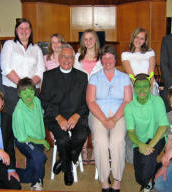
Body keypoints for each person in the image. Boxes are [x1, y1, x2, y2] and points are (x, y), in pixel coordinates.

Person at [39, 43, 89, 186]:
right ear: (59, 58)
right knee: (62, 140)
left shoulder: (82, 76)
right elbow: (44, 101)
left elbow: (87, 102)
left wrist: (77, 115)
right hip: (55, 117)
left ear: (74, 59)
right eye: (64, 56)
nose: (67, 60)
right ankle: (68, 170)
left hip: (76, 116)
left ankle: (63, 160)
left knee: (81, 134)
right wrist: (58, 117)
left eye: (70, 57)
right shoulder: (48, 76)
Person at [87, 45, 132, 192]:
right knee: (100, 141)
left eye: (110, 57)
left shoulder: (124, 78)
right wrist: (104, 120)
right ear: (101, 60)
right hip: (98, 115)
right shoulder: (94, 77)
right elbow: (91, 101)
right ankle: (105, 180)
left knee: (117, 141)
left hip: (119, 115)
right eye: (104, 57)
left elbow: (127, 101)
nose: (107, 60)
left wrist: (113, 119)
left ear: (115, 59)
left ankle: (117, 180)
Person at [124, 73, 169, 192]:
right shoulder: (129, 107)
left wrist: (149, 146)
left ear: (150, 87)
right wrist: (141, 145)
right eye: (138, 87)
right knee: (139, 178)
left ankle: (148, 183)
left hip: (157, 138)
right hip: (139, 141)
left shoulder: (158, 101)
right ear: (134, 87)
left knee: (147, 165)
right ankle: (157, 167)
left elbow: (163, 126)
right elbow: (131, 132)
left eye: (145, 86)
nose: (142, 90)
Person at [0, 18, 44, 115]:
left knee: (31, 120)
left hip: (32, 91)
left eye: (27, 28)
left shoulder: (36, 49)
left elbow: (41, 71)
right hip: (12, 91)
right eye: (21, 28)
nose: (24, 31)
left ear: (30, 31)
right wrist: (23, 85)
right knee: (14, 121)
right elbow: (5, 67)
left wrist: (28, 87)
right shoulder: (9, 45)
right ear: (16, 30)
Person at [12, 77, 49, 191]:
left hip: (37, 138)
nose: (28, 96)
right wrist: (42, 141)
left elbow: (40, 116)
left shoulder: (37, 101)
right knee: (40, 157)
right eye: (24, 92)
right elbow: (22, 137)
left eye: (31, 92)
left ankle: (13, 172)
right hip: (24, 140)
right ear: (19, 94)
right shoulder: (18, 112)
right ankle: (36, 183)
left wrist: (43, 137)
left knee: (33, 165)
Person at [74, 29, 102, 165]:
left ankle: (96, 151)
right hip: (80, 97)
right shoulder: (77, 56)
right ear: (82, 42)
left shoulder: (102, 57)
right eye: (85, 39)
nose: (88, 41)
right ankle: (84, 150)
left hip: (98, 98)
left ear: (95, 40)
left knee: (97, 125)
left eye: (91, 38)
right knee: (83, 124)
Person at [121, 27, 159, 95]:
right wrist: (139, 89)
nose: (138, 40)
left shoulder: (150, 52)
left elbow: (151, 74)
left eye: (141, 38)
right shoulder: (125, 55)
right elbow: (131, 75)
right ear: (133, 38)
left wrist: (148, 89)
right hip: (134, 86)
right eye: (136, 37)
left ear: (145, 41)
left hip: (149, 85)